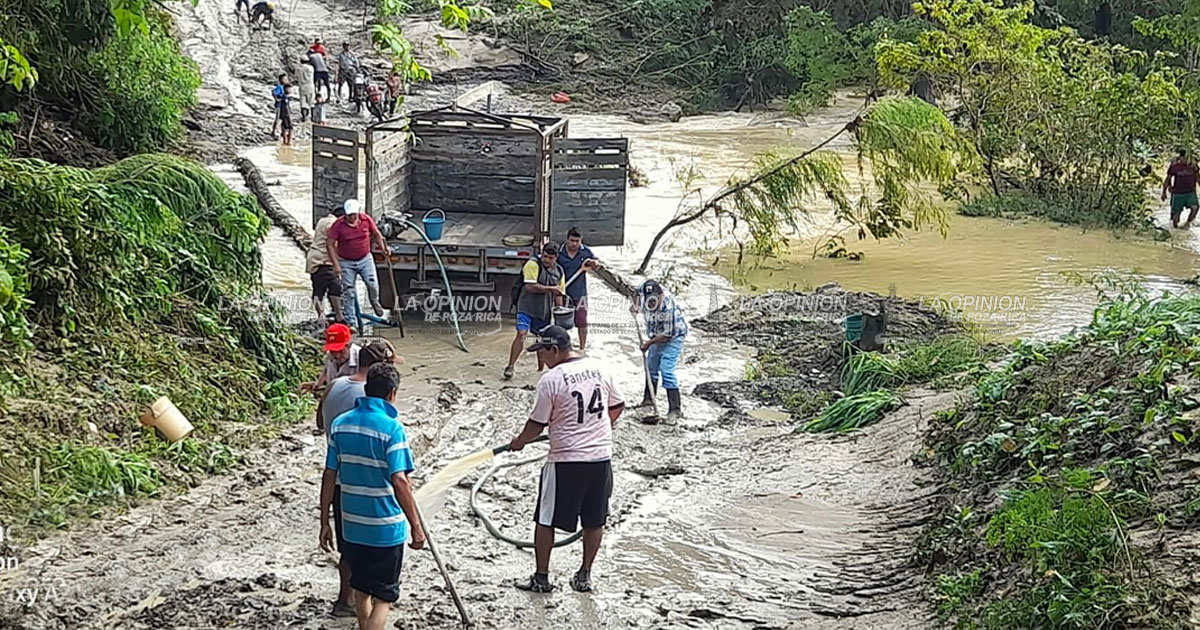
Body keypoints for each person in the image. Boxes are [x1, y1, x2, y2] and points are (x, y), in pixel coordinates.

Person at [507, 325, 625, 593]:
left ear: (555, 349)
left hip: (565, 461)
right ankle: (584, 575)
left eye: (543, 353)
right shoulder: (600, 368)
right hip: (600, 458)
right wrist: (598, 429)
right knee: (595, 519)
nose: (542, 359)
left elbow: (536, 424)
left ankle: (541, 577)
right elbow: (616, 407)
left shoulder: (552, 380)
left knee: (545, 519)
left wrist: (519, 442)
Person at [319, 362, 425, 630]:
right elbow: (400, 481)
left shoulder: (341, 425)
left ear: (367, 389)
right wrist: (416, 526)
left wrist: (324, 522)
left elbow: (329, 475)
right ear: (392, 394)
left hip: (352, 526)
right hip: (384, 530)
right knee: (384, 600)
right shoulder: (392, 428)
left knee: (362, 592)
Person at [318, 340, 397, 618]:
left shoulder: (335, 386)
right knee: (370, 554)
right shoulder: (370, 406)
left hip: (339, 478)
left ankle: (345, 600)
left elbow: (319, 422)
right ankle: (364, 601)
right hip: (363, 482)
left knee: (347, 545)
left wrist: (322, 517)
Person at [503, 242, 565, 380]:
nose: (546, 260)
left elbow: (559, 294)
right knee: (522, 334)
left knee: (543, 341)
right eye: (545, 256)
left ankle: (540, 371)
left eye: (550, 258)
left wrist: (560, 312)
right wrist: (551, 289)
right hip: (526, 307)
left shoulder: (559, 272)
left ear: (556, 258)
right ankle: (510, 366)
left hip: (544, 311)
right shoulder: (532, 264)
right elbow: (530, 286)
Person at [632, 279, 687, 419]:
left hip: (673, 336)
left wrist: (648, 344)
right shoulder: (645, 290)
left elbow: (667, 335)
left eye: (654, 301)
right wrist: (636, 305)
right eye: (649, 301)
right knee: (651, 367)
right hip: (656, 333)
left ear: (661, 295)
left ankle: (675, 409)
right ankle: (648, 401)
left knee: (666, 370)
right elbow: (637, 290)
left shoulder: (668, 307)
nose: (651, 304)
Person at [327, 199, 388, 324]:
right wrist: (336, 264)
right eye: (349, 215)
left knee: (372, 284)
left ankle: (375, 302)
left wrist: (383, 248)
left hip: (365, 258)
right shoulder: (338, 225)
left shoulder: (366, 220)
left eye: (354, 214)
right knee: (349, 291)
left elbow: (376, 234)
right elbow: (330, 244)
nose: (352, 217)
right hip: (346, 261)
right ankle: (351, 321)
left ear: (358, 213)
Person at [557, 227, 601, 350]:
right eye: (572, 241)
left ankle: (582, 348)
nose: (574, 244)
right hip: (561, 293)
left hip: (580, 294)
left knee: (582, 321)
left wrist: (595, 263)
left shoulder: (585, 252)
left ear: (581, 241)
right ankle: (562, 348)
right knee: (560, 323)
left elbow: (596, 264)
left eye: (577, 241)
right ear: (567, 240)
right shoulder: (559, 252)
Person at [308, 204, 346, 327]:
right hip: (323, 260)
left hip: (314, 259)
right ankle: (339, 317)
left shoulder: (322, 220)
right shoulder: (333, 224)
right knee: (335, 286)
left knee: (318, 290)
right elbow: (334, 243)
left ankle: (321, 316)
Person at [1163, 149, 1199, 229]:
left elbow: (1197, 178)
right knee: (1175, 220)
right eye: (1184, 158)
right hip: (1178, 193)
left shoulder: (1193, 165)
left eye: (1187, 158)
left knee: (1195, 207)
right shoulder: (1174, 165)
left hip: (1190, 192)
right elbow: (1168, 178)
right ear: (1180, 158)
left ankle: (1187, 223)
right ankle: (1176, 232)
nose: (1185, 160)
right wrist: (1164, 191)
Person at [273, 74, 293, 145]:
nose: (286, 80)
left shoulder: (287, 96)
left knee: (283, 125)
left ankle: (285, 139)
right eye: (284, 79)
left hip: (285, 110)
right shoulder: (280, 88)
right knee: (280, 121)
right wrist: (277, 99)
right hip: (281, 108)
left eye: (286, 79)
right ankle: (276, 132)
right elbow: (274, 92)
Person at [297, 56, 316, 123]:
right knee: (311, 102)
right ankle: (313, 117)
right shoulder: (311, 68)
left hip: (302, 86)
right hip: (310, 85)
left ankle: (304, 117)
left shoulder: (298, 68)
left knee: (303, 102)